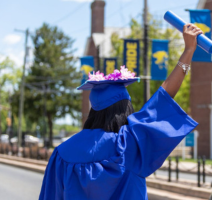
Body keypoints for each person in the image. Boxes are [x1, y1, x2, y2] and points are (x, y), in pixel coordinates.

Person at [39, 23, 202, 200]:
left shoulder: (62, 153)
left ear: (95, 111)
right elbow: (164, 96)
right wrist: (188, 50)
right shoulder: (129, 145)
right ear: (125, 111)